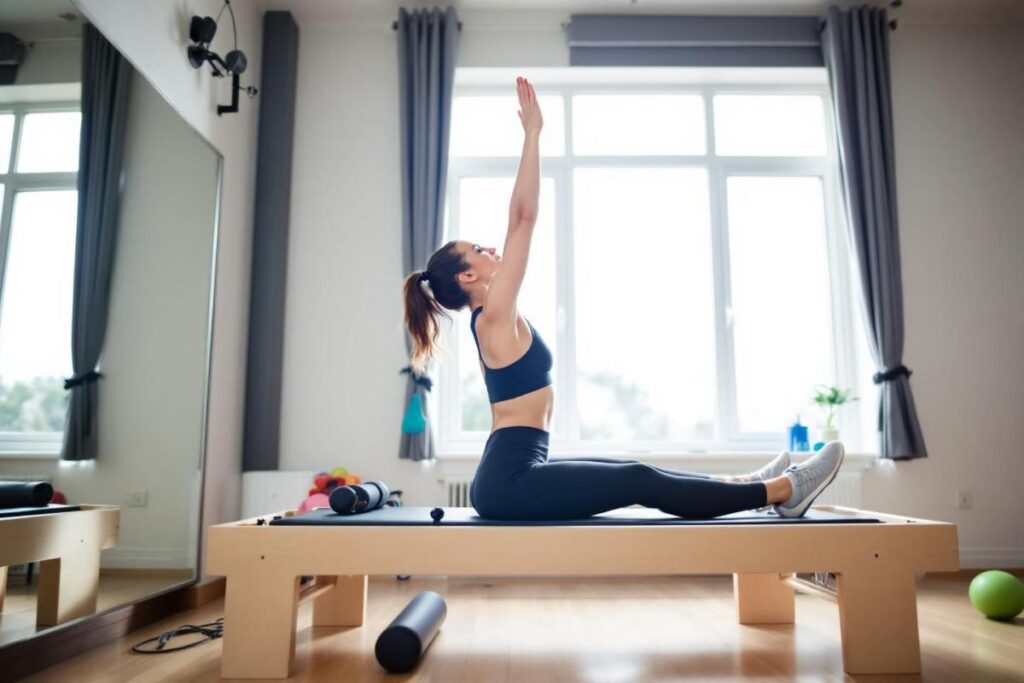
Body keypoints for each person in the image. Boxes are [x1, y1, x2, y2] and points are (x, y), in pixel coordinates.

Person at [402, 77, 844, 521]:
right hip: (509, 479)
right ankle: (783, 491)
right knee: (637, 480)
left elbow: (518, 223)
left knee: (632, 469)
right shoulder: (492, 316)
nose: (492, 248)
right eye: (479, 249)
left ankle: (742, 485)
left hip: (517, 467)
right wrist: (533, 134)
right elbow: (522, 218)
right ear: (467, 275)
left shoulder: (495, 315)